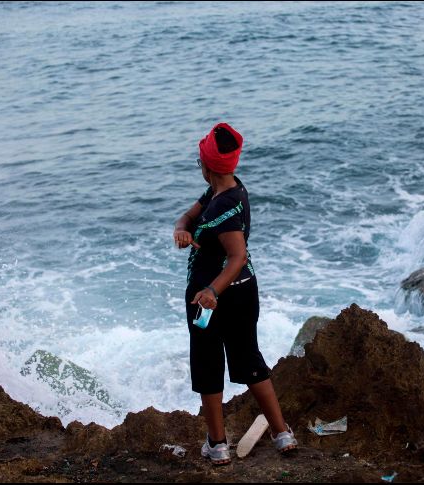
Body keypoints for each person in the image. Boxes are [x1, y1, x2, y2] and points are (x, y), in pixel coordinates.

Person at [173, 122, 298, 465]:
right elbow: (187, 216)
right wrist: (182, 230)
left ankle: (217, 444)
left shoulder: (221, 207)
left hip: (210, 298)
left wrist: (212, 290)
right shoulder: (228, 190)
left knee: (208, 363)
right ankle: (281, 432)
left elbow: (237, 255)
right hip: (244, 290)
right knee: (247, 358)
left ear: (206, 167)